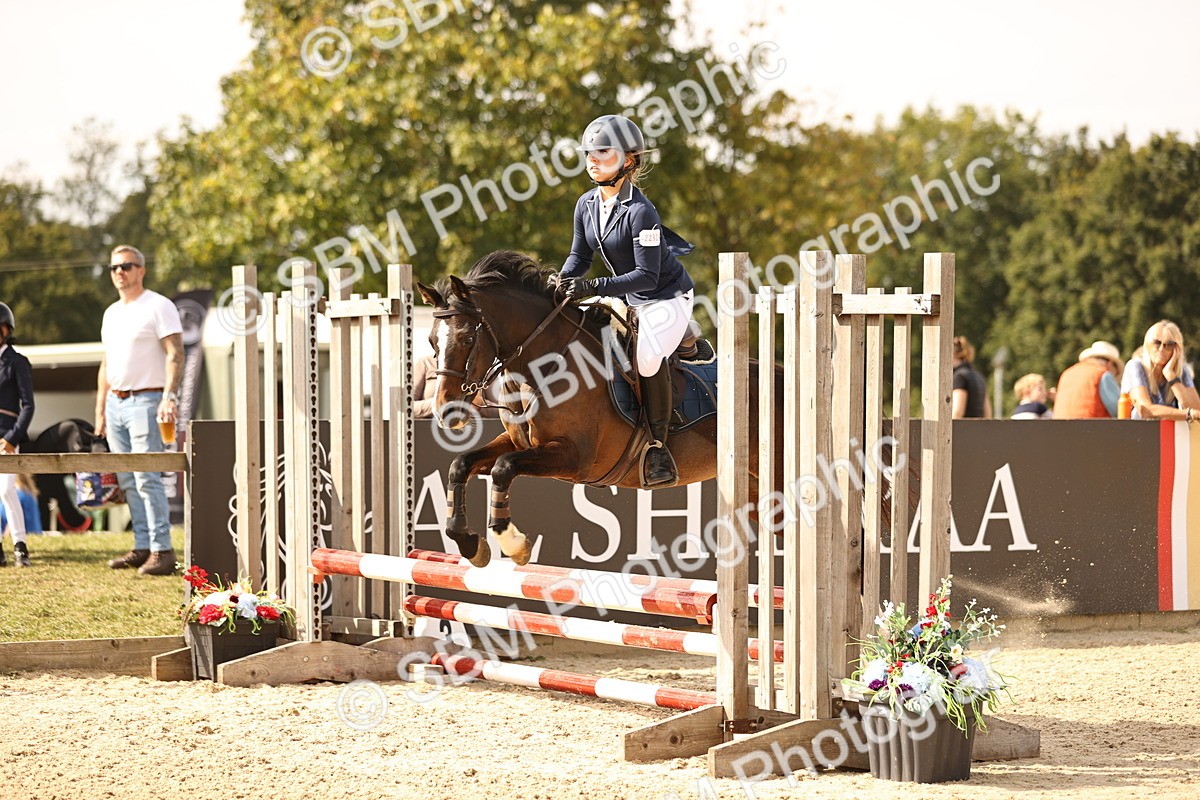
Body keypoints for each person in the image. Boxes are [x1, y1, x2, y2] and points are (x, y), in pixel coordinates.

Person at [556, 114, 695, 486]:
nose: (593, 158)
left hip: (665, 297)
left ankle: (658, 445)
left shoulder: (641, 212)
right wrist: (562, 281)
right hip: (628, 297)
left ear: (628, 160)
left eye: (604, 151)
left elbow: (647, 276)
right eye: (590, 152)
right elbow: (579, 257)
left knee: (646, 358)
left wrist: (592, 287)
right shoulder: (585, 204)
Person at [95, 245, 183, 576]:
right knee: (128, 479)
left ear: (141, 270)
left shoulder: (159, 305)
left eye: (127, 266)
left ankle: (163, 551)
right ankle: (143, 546)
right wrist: (101, 407)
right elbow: (107, 362)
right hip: (116, 402)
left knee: (147, 477)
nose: (120, 271)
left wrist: (168, 397)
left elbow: (176, 353)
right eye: (114, 267)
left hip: (147, 400)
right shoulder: (111, 313)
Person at [0, 303, 35, 567]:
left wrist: (13, 438)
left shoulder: (17, 362)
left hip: (7, 435)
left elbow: (28, 405)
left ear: (4, 330)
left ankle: (20, 545)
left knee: (6, 490)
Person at [1122, 320, 1200, 421]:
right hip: (1138, 433)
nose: (1162, 349)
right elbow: (1146, 410)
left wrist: (1171, 376)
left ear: (1177, 349)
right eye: (1157, 343)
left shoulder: (1181, 371)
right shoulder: (1135, 366)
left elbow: (1197, 410)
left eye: (1169, 344)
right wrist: (1188, 414)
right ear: (1147, 344)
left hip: (1172, 434)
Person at [1053, 340, 1122, 419]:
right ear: (1110, 364)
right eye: (1115, 374)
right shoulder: (1103, 374)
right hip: (1090, 428)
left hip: (1059, 428)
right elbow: (1118, 409)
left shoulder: (1066, 373)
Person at [952, 336, 990, 419]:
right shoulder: (979, 376)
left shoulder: (959, 377)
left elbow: (957, 412)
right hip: (978, 429)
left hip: (962, 430)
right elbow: (988, 413)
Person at [1, 474, 42, 538]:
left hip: (25, 535)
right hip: (35, 534)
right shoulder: (28, 493)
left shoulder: (17, 495)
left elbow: (13, 522)